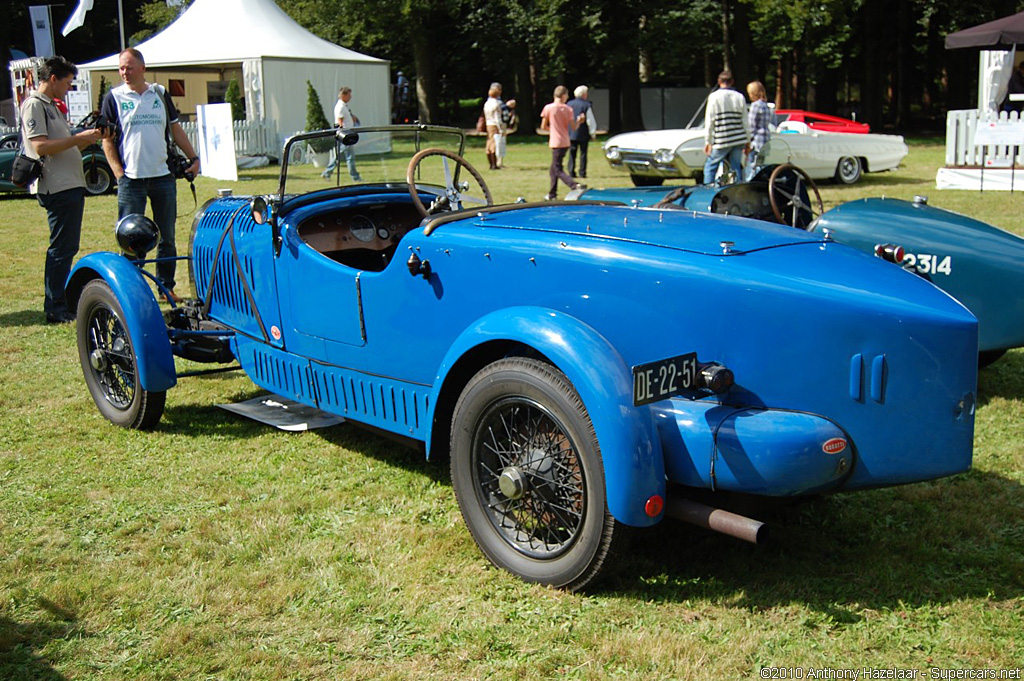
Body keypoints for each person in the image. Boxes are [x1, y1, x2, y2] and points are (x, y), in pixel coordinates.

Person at [101, 47, 199, 303]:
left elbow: (176, 130)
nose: (124, 72)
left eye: (129, 67)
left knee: (167, 236)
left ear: (142, 68)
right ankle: (132, 292)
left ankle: (166, 287)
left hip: (163, 176)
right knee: (130, 238)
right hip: (131, 180)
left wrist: (194, 158)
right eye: (121, 68)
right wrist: (118, 173)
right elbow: (107, 140)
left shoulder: (159, 93)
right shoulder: (113, 97)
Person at [21, 56, 105, 323]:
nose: (69, 89)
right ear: (53, 78)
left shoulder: (52, 107)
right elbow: (41, 147)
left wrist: (85, 139)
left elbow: (62, 146)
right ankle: (55, 306)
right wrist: (77, 138)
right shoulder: (35, 105)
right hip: (57, 187)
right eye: (67, 83)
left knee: (66, 247)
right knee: (61, 248)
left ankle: (60, 302)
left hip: (68, 184)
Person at [703, 70, 749, 185]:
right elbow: (745, 121)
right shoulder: (739, 96)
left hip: (722, 139)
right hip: (738, 138)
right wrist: (748, 140)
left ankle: (706, 190)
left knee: (710, 166)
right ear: (732, 82)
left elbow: (710, 121)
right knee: (735, 167)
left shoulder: (714, 97)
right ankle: (738, 189)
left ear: (719, 82)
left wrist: (708, 141)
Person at [540, 85, 586, 200]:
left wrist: (553, 130)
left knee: (557, 169)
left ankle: (574, 185)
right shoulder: (568, 109)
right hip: (565, 140)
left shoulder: (549, 108)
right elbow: (573, 127)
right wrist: (579, 121)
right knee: (553, 168)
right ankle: (552, 194)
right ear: (564, 95)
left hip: (555, 141)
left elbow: (543, 126)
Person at [322, 86, 362, 181]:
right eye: (349, 94)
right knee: (349, 157)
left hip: (346, 134)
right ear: (343, 95)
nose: (350, 97)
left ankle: (327, 172)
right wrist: (343, 133)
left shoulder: (343, 106)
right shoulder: (340, 106)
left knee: (339, 155)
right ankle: (355, 177)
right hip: (345, 135)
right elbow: (340, 121)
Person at [567, 85, 597, 179]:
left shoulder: (569, 104)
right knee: (583, 153)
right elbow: (590, 120)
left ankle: (571, 171)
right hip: (583, 132)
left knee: (572, 153)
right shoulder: (586, 105)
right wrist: (593, 133)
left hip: (571, 132)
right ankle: (582, 172)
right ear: (584, 94)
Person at [745, 80, 771, 180]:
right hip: (765, 139)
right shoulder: (766, 105)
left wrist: (747, 141)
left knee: (752, 166)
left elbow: (751, 126)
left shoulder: (755, 105)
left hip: (756, 141)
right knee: (761, 165)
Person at [483, 83, 504, 170]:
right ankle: (494, 164)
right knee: (494, 145)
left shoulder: (487, 103)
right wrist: (500, 128)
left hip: (488, 124)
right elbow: (497, 118)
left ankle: (491, 163)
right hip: (494, 125)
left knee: (489, 144)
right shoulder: (497, 103)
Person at [495, 98, 517, 168]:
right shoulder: (503, 107)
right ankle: (498, 162)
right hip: (501, 125)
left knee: (501, 143)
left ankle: (500, 161)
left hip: (502, 125)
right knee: (500, 143)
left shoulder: (506, 108)